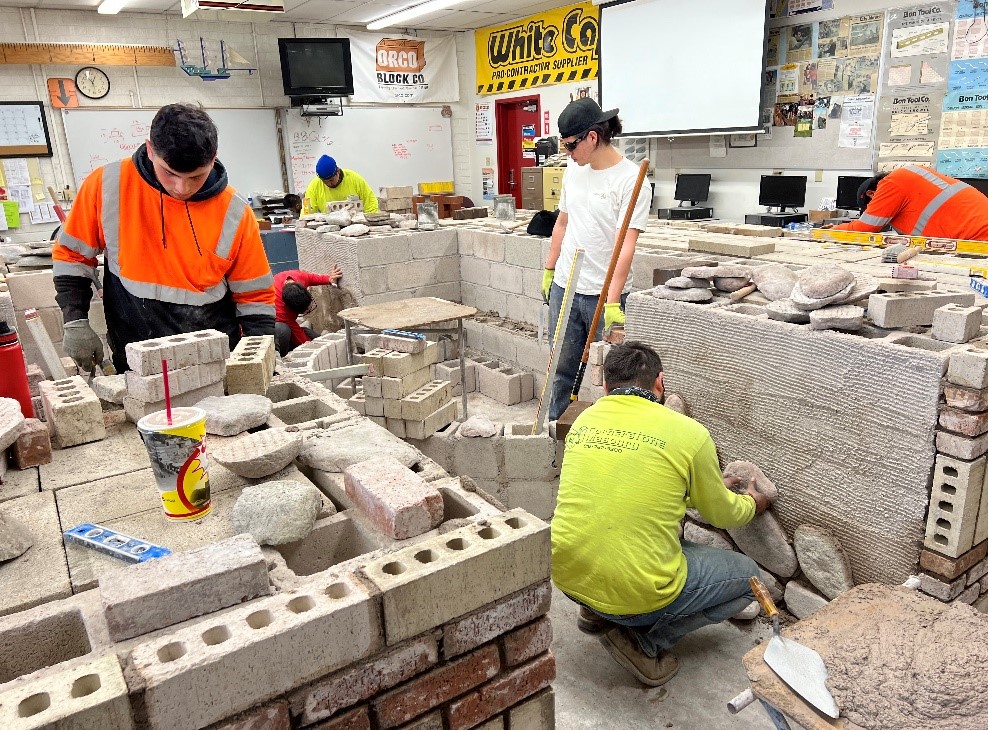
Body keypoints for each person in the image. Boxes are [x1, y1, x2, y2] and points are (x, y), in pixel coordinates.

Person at [551, 342, 772, 687]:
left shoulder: (584, 421)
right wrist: (753, 504)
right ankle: (644, 644)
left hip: (569, 579)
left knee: (615, 531)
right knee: (749, 580)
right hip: (636, 595)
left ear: (606, 387)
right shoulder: (689, 434)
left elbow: (630, 489)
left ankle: (595, 613)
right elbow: (722, 514)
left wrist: (699, 484)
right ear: (660, 382)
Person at [53, 104, 275, 373]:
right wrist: (74, 320)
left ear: (214, 157)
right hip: (135, 352)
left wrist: (261, 358)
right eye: (170, 173)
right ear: (150, 149)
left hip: (213, 357)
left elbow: (255, 297)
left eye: (196, 177)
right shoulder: (108, 185)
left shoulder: (234, 211)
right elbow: (73, 256)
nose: (182, 188)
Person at [541, 98, 651, 422]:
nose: (567, 155)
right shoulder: (574, 172)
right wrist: (549, 270)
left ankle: (611, 441)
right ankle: (555, 436)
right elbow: (562, 223)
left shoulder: (630, 179)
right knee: (561, 368)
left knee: (615, 379)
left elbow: (625, 245)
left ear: (592, 137)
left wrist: (614, 302)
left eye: (571, 146)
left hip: (605, 295)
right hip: (566, 287)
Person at [833, 166, 988, 240]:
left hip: (978, 238)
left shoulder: (891, 183)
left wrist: (833, 229)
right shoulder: (911, 177)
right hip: (977, 236)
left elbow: (865, 227)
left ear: (871, 194)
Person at [274, 267, 342, 356]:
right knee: (283, 330)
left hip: (287, 323)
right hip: (270, 333)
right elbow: (295, 330)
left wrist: (328, 279)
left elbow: (311, 278)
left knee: (310, 335)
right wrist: (308, 346)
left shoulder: (298, 277)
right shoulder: (280, 309)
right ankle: (281, 357)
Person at [304, 155, 379, 214]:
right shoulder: (314, 186)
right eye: (325, 181)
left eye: (331, 180)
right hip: (329, 228)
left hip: (355, 225)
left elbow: (370, 202)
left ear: (338, 171)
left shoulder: (354, 178)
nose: (329, 183)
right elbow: (307, 213)